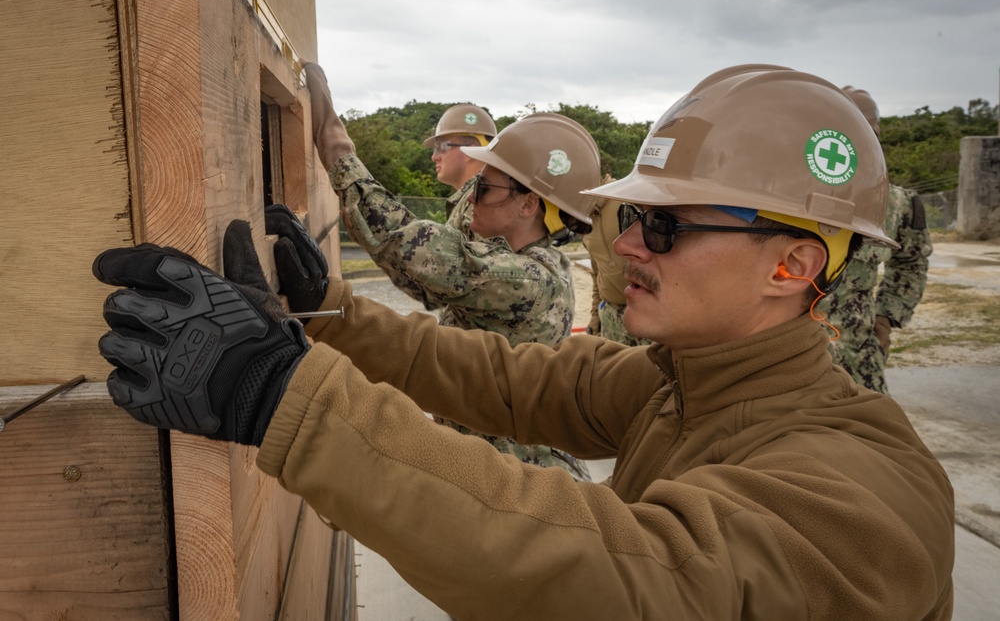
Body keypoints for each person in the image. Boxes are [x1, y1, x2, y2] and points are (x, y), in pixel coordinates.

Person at [93, 64, 954, 620]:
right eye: (629, 218)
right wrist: (329, 315)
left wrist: (276, 394)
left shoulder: (862, 488)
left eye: (660, 225)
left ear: (794, 264)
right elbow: (509, 379)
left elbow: (623, 574)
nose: (621, 245)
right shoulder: (683, 384)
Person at [305, 62, 600, 480]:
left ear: (528, 205)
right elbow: (430, 280)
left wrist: (338, 149)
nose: (471, 196)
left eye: (484, 187)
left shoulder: (527, 280)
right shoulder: (516, 262)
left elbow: (410, 245)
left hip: (510, 486)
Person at [820, 86, 933, 393]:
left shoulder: (898, 205)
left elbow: (911, 262)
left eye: (869, 133)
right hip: (792, 356)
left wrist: (886, 319)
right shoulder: (789, 196)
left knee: (870, 435)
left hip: (859, 357)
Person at [581, 184, 651, 346]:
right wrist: (595, 315)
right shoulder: (583, 213)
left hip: (648, 314)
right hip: (611, 317)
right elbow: (597, 272)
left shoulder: (629, 199)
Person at [422, 103, 497, 237]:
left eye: (442, 146)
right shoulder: (477, 195)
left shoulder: (483, 200)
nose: (434, 157)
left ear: (470, 150)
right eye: (435, 148)